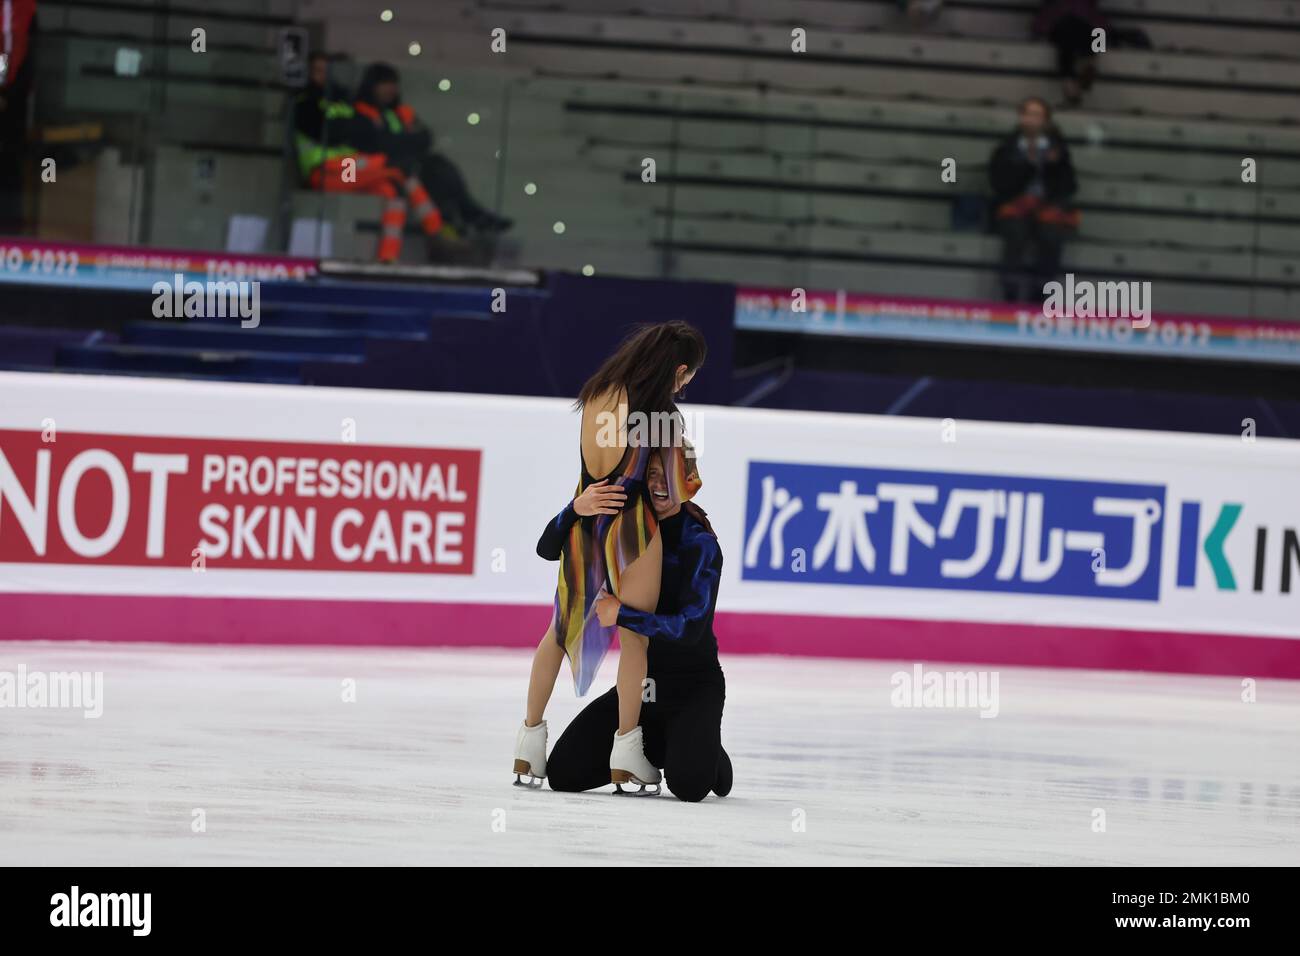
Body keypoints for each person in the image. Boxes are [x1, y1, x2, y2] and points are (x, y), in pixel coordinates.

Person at [513, 321, 706, 794]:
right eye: (688, 377)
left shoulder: (597, 393)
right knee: (634, 637)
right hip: (632, 529)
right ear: (678, 370)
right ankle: (627, 751)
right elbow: (673, 494)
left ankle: (528, 744)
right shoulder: (660, 413)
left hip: (584, 517)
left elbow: (592, 466)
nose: (685, 385)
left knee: (557, 634)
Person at [545, 450, 732, 802]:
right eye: (652, 474)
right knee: (563, 773)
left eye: (669, 475)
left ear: (688, 482)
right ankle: (669, 742)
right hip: (640, 691)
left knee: (689, 786)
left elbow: (690, 628)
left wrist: (622, 615)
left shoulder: (701, 545)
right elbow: (547, 548)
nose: (659, 484)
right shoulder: (623, 529)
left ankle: (709, 752)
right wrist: (574, 508)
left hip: (693, 687)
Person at [292, 53, 457, 263]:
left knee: (391, 190)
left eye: (328, 71)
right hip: (325, 172)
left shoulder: (340, 102)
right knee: (397, 169)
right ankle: (436, 231)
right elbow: (333, 131)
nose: (324, 77)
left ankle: (388, 256)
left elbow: (360, 131)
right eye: (318, 71)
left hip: (350, 170)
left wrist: (353, 127)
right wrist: (353, 127)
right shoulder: (305, 103)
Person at [351, 62, 511, 242]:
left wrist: (400, 141)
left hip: (411, 165)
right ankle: (459, 216)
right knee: (433, 170)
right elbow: (378, 144)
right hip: (379, 170)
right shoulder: (360, 113)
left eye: (393, 84)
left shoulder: (400, 112)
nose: (391, 89)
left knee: (439, 164)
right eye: (385, 83)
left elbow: (425, 138)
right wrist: (407, 141)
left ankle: (464, 212)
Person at [988, 96, 1079, 303]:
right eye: (1027, 114)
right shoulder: (1006, 149)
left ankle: (1041, 295)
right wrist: (1028, 167)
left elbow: (1070, 186)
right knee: (1016, 233)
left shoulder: (1058, 150)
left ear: (1046, 121)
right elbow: (998, 185)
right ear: (1021, 118)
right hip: (1016, 207)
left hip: (1047, 208)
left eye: (1036, 115)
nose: (1031, 119)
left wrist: (1054, 167)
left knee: (1051, 233)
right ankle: (1010, 293)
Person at [0, 0, 37, 233]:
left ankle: (11, 231)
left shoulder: (23, 8)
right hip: (9, 92)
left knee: (11, 167)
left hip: (13, 107)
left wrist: (3, 89)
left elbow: (10, 47)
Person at [1033, 0, 1110, 106]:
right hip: (1067, 22)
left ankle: (1069, 82)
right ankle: (1090, 61)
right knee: (1074, 30)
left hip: (1076, 23)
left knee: (1073, 34)